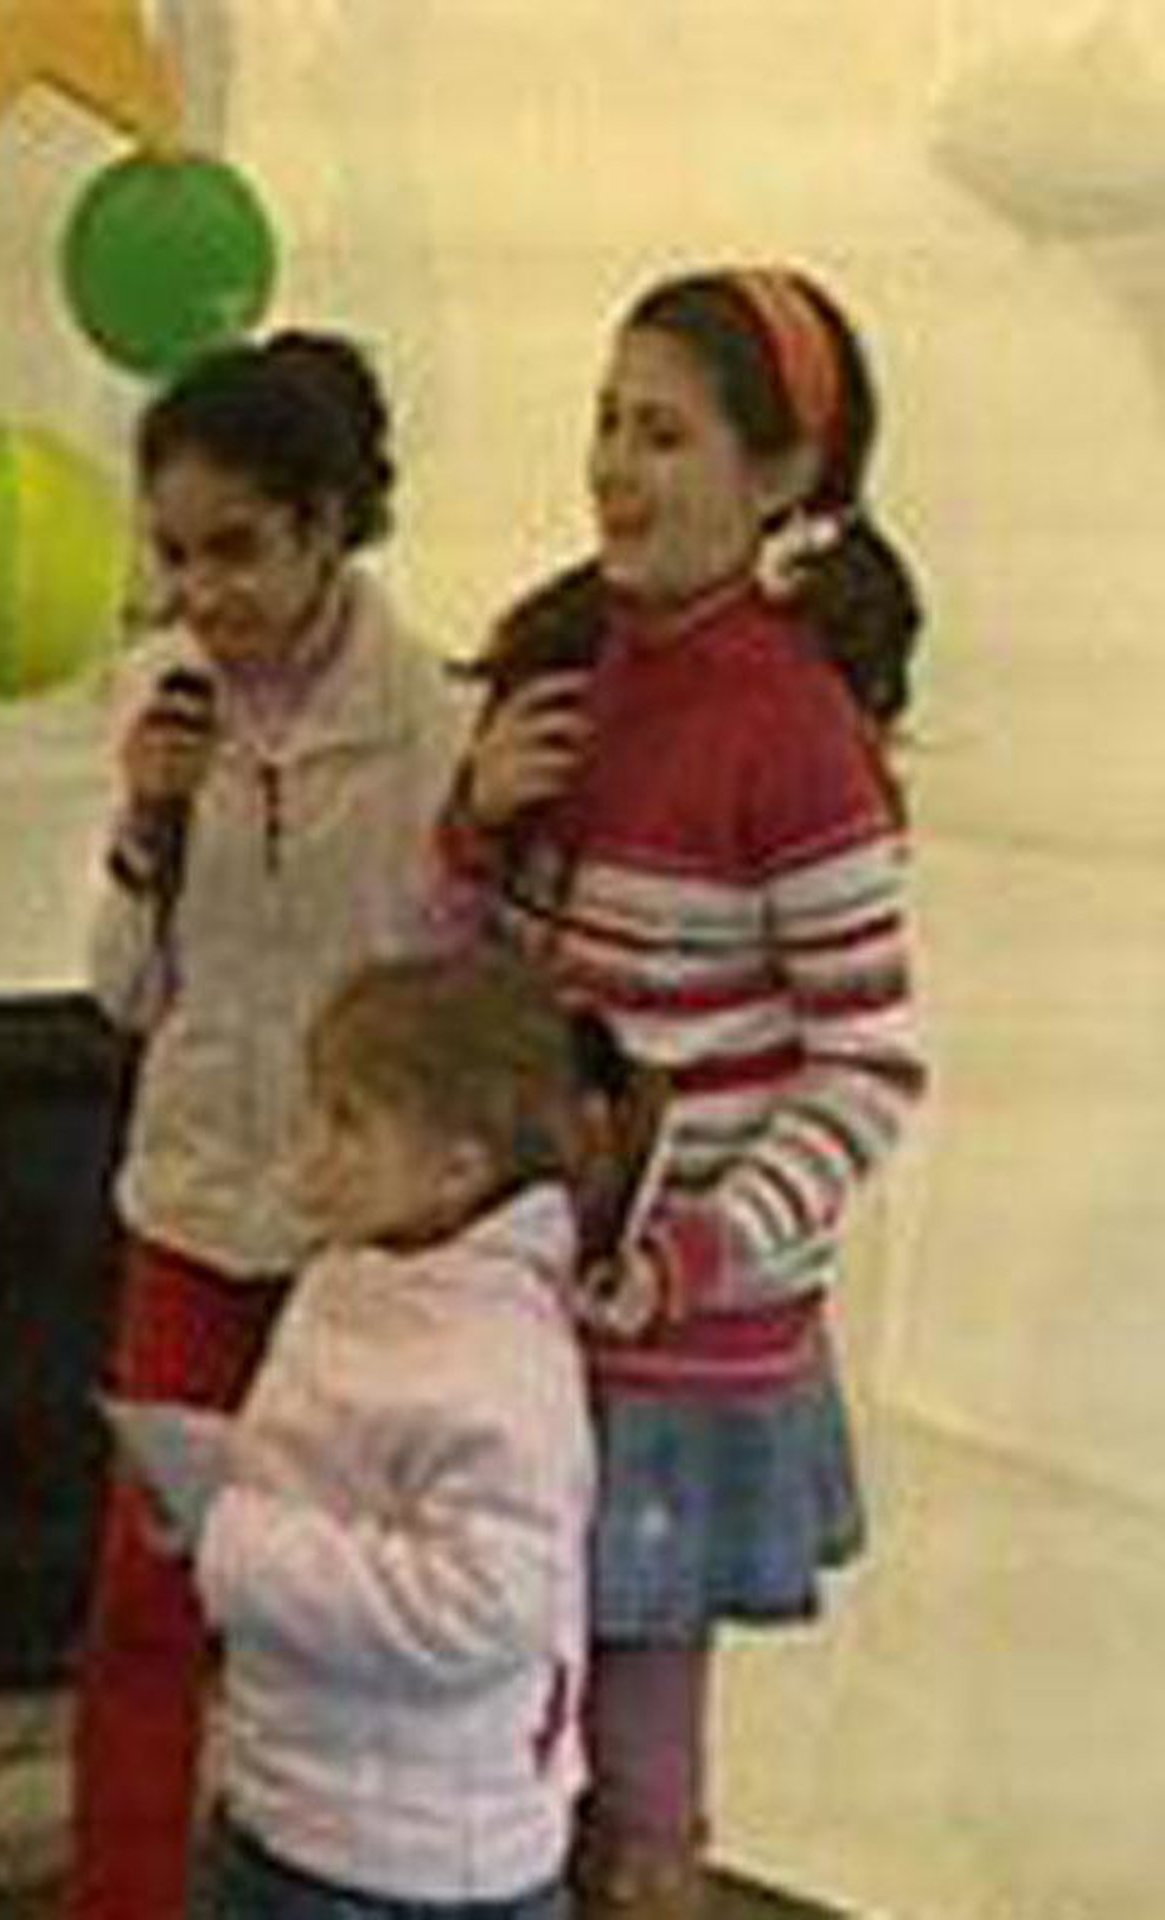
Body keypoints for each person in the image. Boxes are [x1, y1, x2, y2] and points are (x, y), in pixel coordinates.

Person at [433, 266, 927, 1918]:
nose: (613, 468)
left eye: (663, 435)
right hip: (522, 1304)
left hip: (675, 1351)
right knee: (500, 1734)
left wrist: (694, 1254)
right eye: (605, 423)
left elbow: (868, 1066)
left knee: (637, 1772)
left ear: (783, 476)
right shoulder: (565, 663)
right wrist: (471, 827)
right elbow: (460, 1007)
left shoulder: (794, 731)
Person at [68, 330, 471, 1920]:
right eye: (174, 556)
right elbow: (121, 993)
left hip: (352, 1243)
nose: (203, 594)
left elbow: (447, 984)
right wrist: (146, 821)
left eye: (237, 549)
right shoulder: (158, 703)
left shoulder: (432, 723)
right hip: (187, 1213)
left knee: (331, 1613)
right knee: (145, 1603)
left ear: (328, 526)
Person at [117, 947, 594, 1920]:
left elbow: (476, 1607)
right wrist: (212, 1477)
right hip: (294, 1795)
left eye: (348, 1122)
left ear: (458, 1167)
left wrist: (237, 1540)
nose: (310, 1146)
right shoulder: (355, 1278)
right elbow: (338, 1474)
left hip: (409, 1860)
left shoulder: (499, 1359)